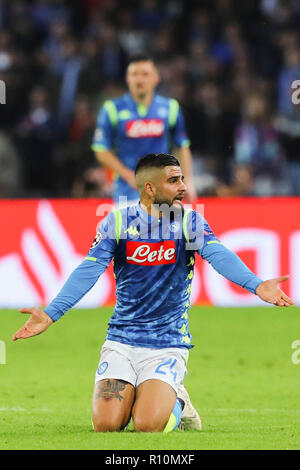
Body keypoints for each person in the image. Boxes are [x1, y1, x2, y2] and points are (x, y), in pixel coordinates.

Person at [12, 153, 293, 433]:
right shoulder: (118, 223)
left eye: (182, 178)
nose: (183, 186)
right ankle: (151, 393)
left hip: (167, 344)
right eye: (174, 180)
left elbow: (219, 255)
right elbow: (89, 270)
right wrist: (51, 314)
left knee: (147, 425)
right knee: (106, 425)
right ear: (150, 188)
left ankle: (178, 400)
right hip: (121, 341)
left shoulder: (188, 222)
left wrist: (256, 284)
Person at [91, 53, 196, 204]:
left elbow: (182, 146)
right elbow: (101, 151)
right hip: (126, 192)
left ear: (156, 78)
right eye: (134, 74)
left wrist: (189, 181)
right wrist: (129, 175)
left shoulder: (170, 108)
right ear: (127, 79)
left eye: (145, 74)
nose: (139, 79)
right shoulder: (112, 109)